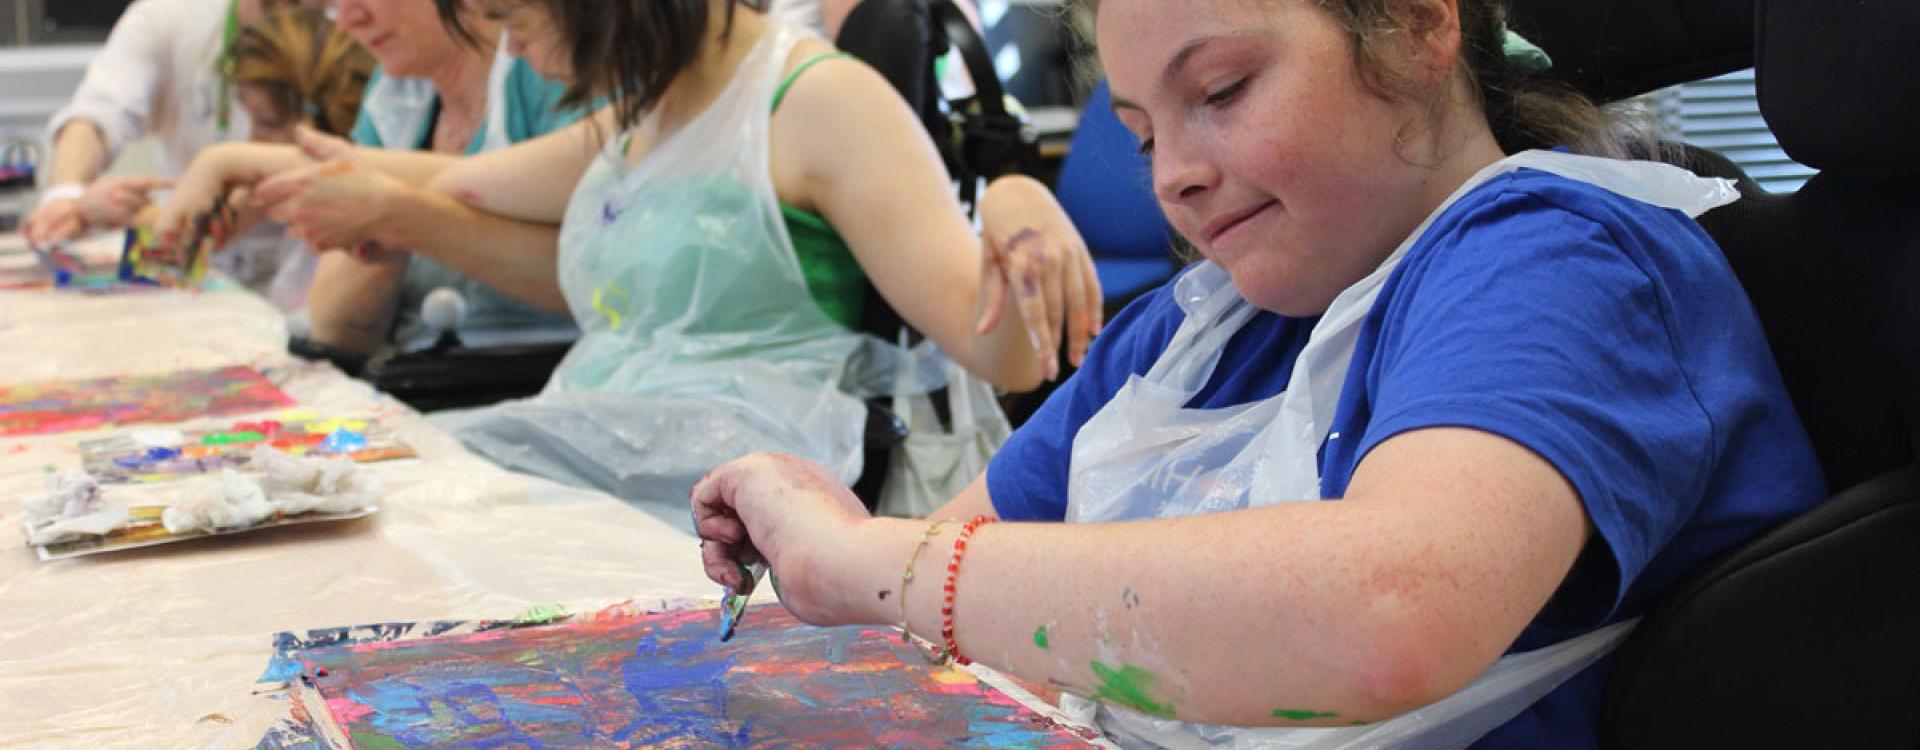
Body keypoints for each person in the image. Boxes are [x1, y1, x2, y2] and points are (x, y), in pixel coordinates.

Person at [689, 0, 1826, 747]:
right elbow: (942, 612)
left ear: (1417, 28)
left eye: (1222, 91)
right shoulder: (1189, 341)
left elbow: (1390, 611)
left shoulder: (1558, 261)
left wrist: (869, 556)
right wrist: (833, 552)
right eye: (1141, 134)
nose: (1172, 178)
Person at [157, 0, 1101, 527]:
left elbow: (1012, 361)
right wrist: (233, 163)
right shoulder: (640, 121)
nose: (510, 46)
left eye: (511, 16)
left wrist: (1016, 201)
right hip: (622, 465)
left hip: (729, 497)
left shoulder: (819, 103)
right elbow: (459, 180)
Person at [20, 0, 318, 248]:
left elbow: (225, 219)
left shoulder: (341, 39)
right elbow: (97, 113)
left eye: (267, 121)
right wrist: (65, 196)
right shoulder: (171, 15)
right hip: (192, 260)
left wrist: (117, 213)